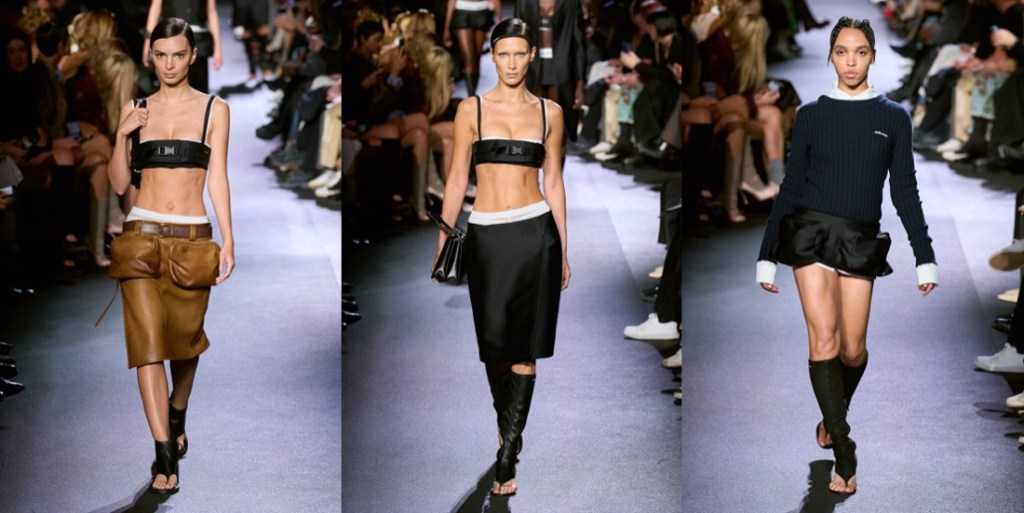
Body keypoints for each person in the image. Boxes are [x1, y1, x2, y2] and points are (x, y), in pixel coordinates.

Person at [755, 18, 938, 495]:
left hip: (859, 238)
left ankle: (833, 415)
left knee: (853, 350)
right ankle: (844, 449)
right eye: (842, 51)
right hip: (809, 232)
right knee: (825, 340)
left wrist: (925, 256)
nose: (851, 61)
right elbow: (791, 186)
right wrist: (767, 253)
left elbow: (904, 191)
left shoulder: (894, 117)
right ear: (831, 56)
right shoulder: (811, 115)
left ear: (873, 56)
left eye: (860, 52)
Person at [433, 17, 569, 496]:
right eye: (503, 54)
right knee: (494, 348)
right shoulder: (470, 109)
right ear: (492, 56)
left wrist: (564, 249)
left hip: (536, 234)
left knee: (524, 350)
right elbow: (456, 178)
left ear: (531, 56)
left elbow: (554, 181)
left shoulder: (550, 113)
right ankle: (508, 421)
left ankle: (507, 454)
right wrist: (445, 237)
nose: (511, 63)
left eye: (519, 54)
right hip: (487, 234)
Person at [106, 17, 235, 495]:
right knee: (148, 348)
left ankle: (176, 413)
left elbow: (217, 177)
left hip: (192, 240)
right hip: (140, 237)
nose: (169, 64)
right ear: (151, 56)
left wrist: (229, 238)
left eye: (178, 55)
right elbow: (119, 183)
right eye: (161, 55)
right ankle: (163, 451)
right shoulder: (136, 108)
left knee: (185, 344)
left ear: (193, 56)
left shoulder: (214, 110)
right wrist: (122, 135)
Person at [143, 0, 223, 94]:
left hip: (199, 43)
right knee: (172, 89)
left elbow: (211, 11)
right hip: (171, 42)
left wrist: (217, 48)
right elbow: (156, 8)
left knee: (199, 91)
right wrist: (148, 42)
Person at [443, 0, 500, 96]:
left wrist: (500, 22)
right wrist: (446, 28)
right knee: (468, 58)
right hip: (462, 10)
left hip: (481, 10)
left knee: (476, 58)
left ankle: (473, 93)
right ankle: (471, 95)